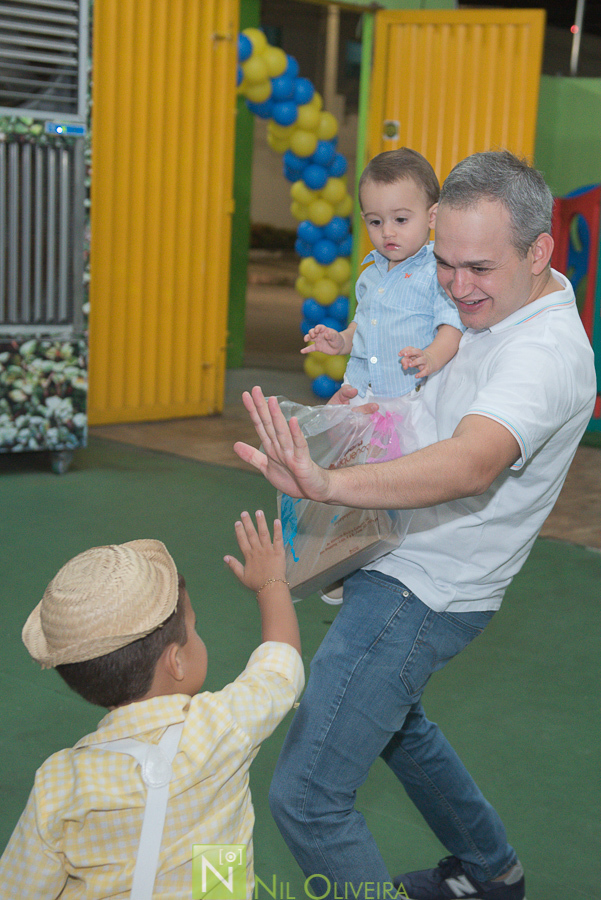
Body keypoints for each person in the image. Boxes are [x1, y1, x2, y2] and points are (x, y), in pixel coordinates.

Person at [233, 150, 597, 900]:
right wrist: (337, 432)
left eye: (479, 269)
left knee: (305, 798)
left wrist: (329, 480)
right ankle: (491, 870)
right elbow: (426, 416)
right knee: (399, 728)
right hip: (405, 555)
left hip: (424, 588)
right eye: (446, 265)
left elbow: (468, 461)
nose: (458, 288)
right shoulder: (498, 308)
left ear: (538, 251)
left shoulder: (544, 351)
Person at [0, 512, 304, 900]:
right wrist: (270, 584)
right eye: (194, 628)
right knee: (216, 861)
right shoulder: (223, 726)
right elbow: (281, 668)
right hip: (213, 886)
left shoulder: (59, 784)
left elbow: (18, 889)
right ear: (175, 661)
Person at [301, 148, 464, 397]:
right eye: (376, 222)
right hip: (362, 392)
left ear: (432, 216)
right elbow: (366, 326)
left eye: (400, 220)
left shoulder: (437, 270)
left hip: (411, 397)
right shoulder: (371, 274)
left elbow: (451, 327)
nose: (387, 231)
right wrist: (342, 341)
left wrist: (431, 357)